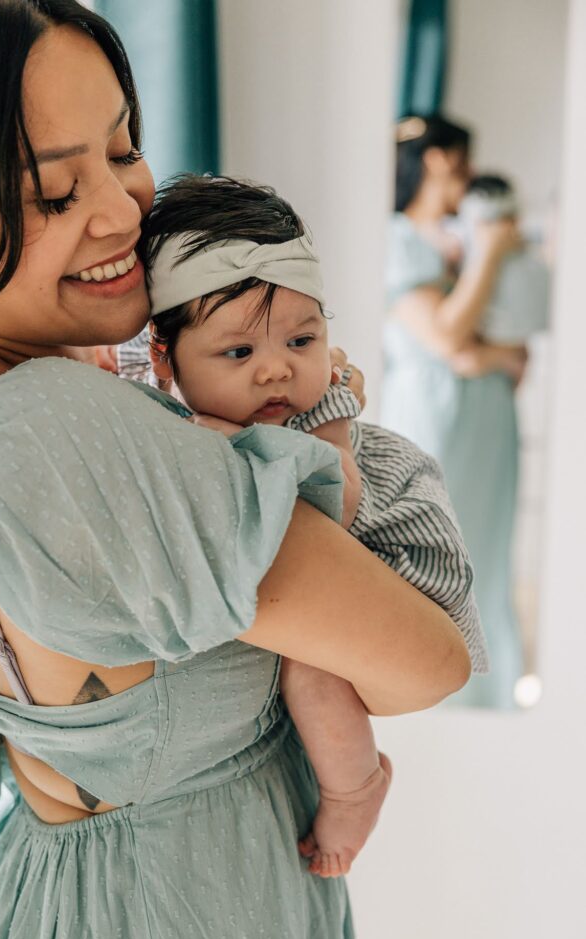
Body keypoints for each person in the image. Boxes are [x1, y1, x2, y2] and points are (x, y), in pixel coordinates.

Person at [0, 6, 471, 939]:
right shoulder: (53, 425)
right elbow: (428, 659)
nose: (122, 212)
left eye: (124, 150)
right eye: (53, 190)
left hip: (108, 914)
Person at [103, 174, 487, 878]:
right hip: (340, 558)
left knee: (307, 669)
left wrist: (227, 440)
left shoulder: (320, 404)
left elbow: (333, 509)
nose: (277, 370)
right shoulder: (168, 406)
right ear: (164, 357)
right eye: (239, 353)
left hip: (397, 555)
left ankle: (355, 790)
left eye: (302, 339)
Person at [381, 114, 526, 709]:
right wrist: (489, 255)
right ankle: (441, 689)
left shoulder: (451, 239)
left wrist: (491, 354)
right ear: (441, 160)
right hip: (438, 414)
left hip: (486, 415)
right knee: (443, 549)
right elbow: (445, 338)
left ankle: (487, 690)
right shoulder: (398, 238)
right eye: (465, 161)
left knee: (489, 547)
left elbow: (483, 341)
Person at [457, 173, 551, 345]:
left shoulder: (539, 250)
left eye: (506, 218)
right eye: (488, 222)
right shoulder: (462, 261)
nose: (499, 230)